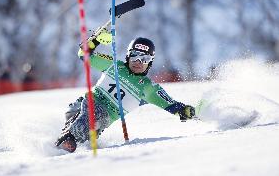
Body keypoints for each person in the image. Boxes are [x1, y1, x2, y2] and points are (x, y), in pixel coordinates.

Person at [55, 29, 195, 153]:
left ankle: (67, 143)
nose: (138, 61)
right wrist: (95, 40)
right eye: (135, 55)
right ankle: (62, 143)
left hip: (103, 117)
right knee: (78, 117)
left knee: (91, 123)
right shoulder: (114, 65)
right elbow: (83, 55)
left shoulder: (147, 87)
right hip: (86, 103)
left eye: (144, 59)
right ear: (128, 55)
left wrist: (184, 110)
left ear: (150, 63)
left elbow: (169, 104)